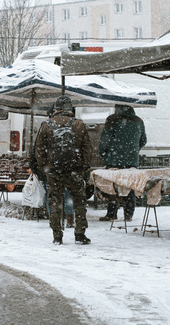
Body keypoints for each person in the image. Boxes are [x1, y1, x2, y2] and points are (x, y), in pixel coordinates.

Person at [35, 95, 94, 245]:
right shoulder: (79, 125)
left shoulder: (46, 125)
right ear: (70, 108)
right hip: (74, 170)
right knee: (79, 201)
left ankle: (57, 235)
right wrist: (83, 167)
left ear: (55, 109)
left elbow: (39, 150)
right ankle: (80, 234)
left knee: (55, 202)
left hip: (54, 171)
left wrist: (45, 167)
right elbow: (87, 148)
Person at [98, 105, 147, 222]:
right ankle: (128, 215)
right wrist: (134, 150)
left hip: (114, 159)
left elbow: (105, 139)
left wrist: (103, 153)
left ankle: (111, 213)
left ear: (118, 108)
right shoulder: (139, 121)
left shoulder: (112, 119)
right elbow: (143, 140)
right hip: (131, 161)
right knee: (130, 186)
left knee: (113, 186)